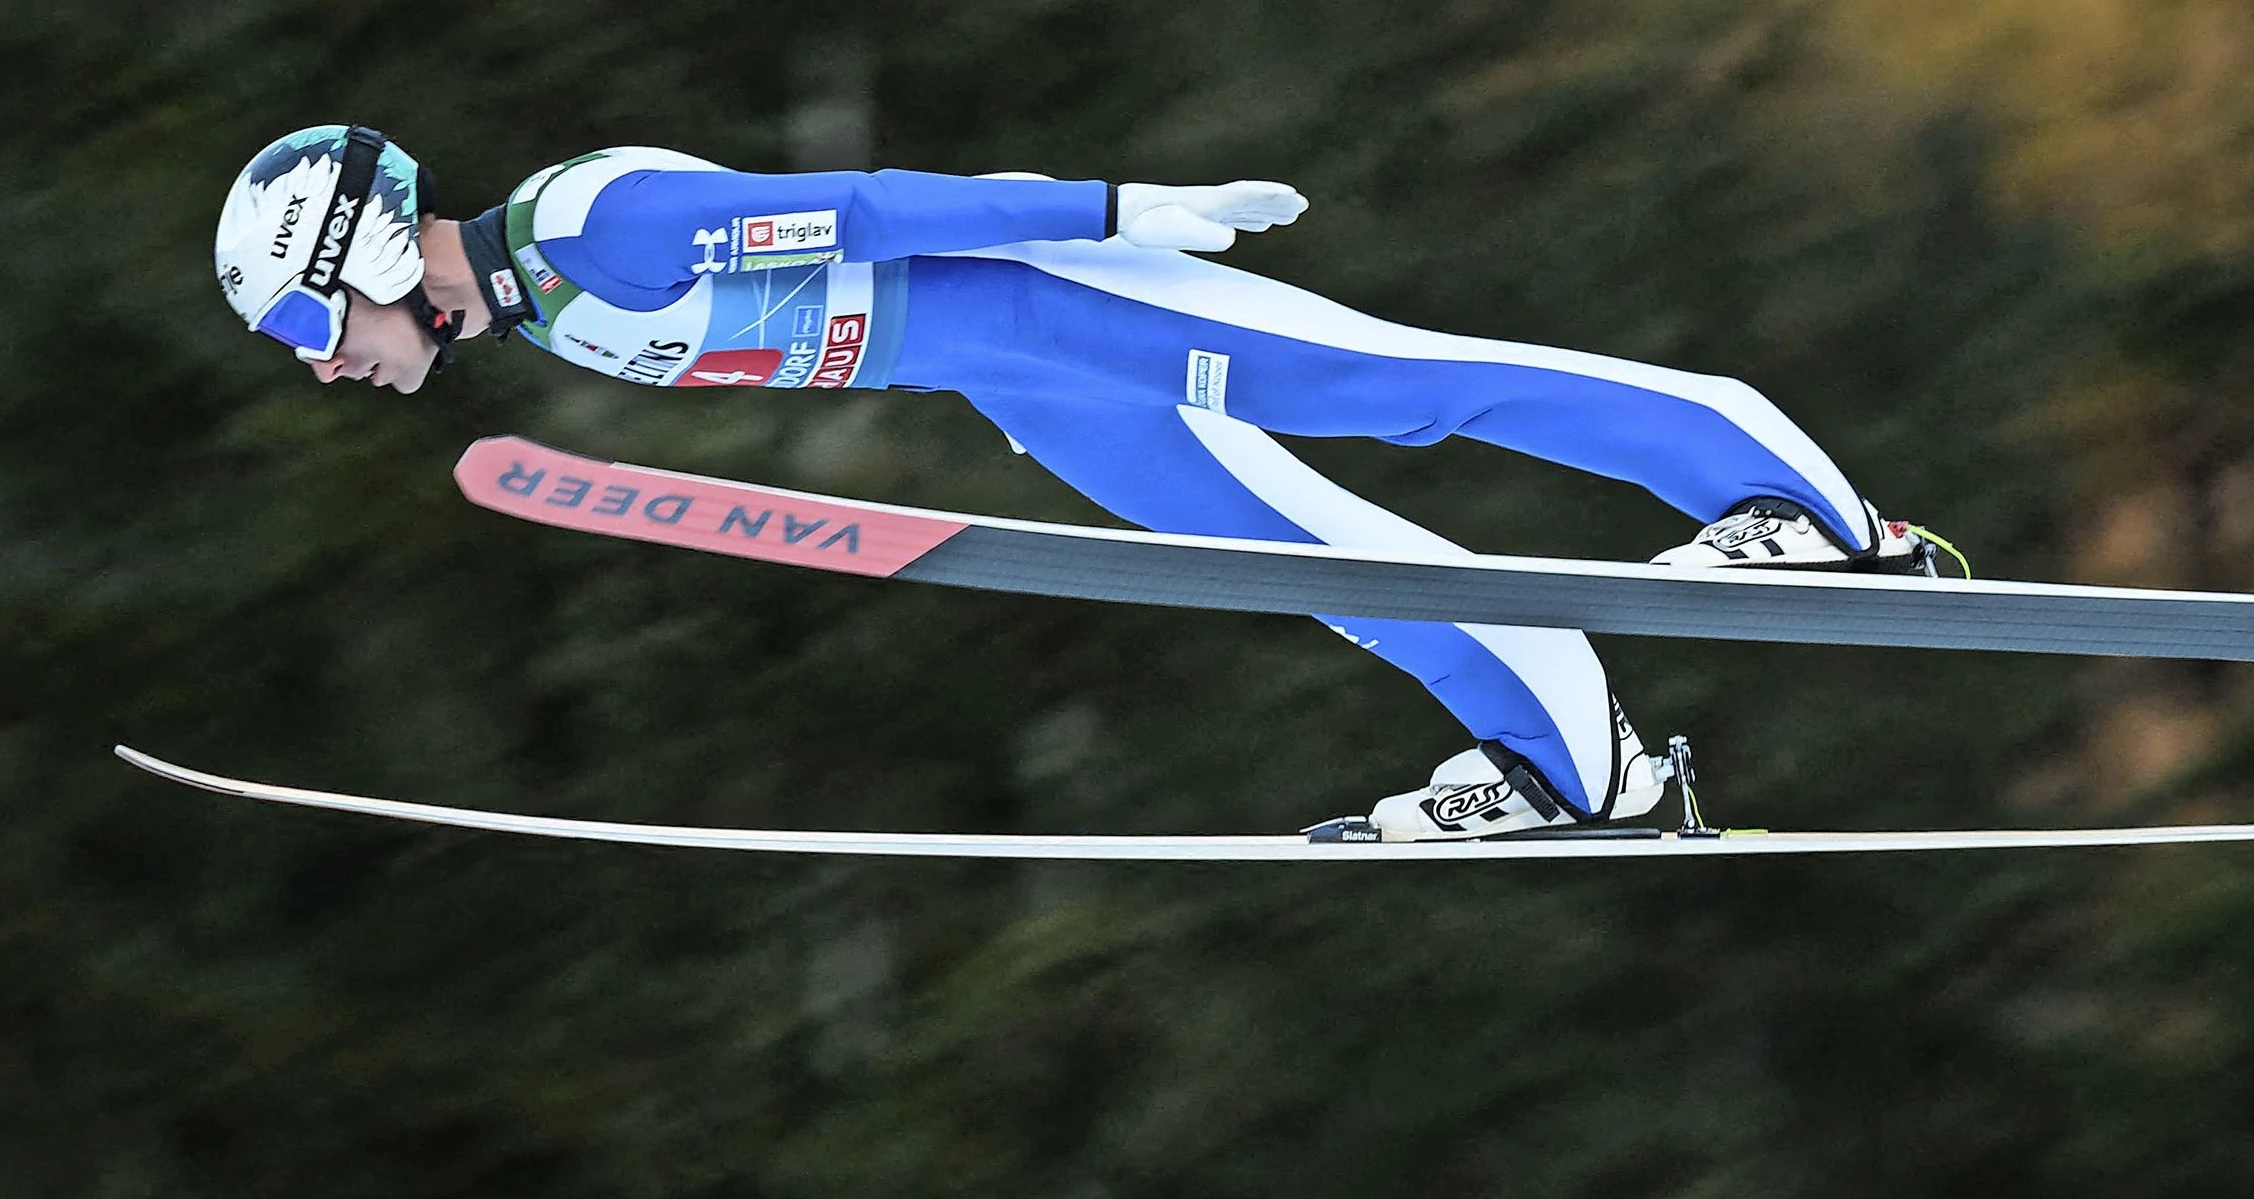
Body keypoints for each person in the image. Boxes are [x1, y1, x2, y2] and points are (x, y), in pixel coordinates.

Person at [213, 124, 1935, 842]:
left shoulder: (597, 230)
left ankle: (1824, 518)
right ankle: (1586, 768)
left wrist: (1120, 215)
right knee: (1298, 557)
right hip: (1015, 382)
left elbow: (877, 207)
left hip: (1066, 302)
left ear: (359, 244)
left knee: (1390, 396)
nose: (319, 356)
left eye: (308, 314)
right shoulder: (554, 309)